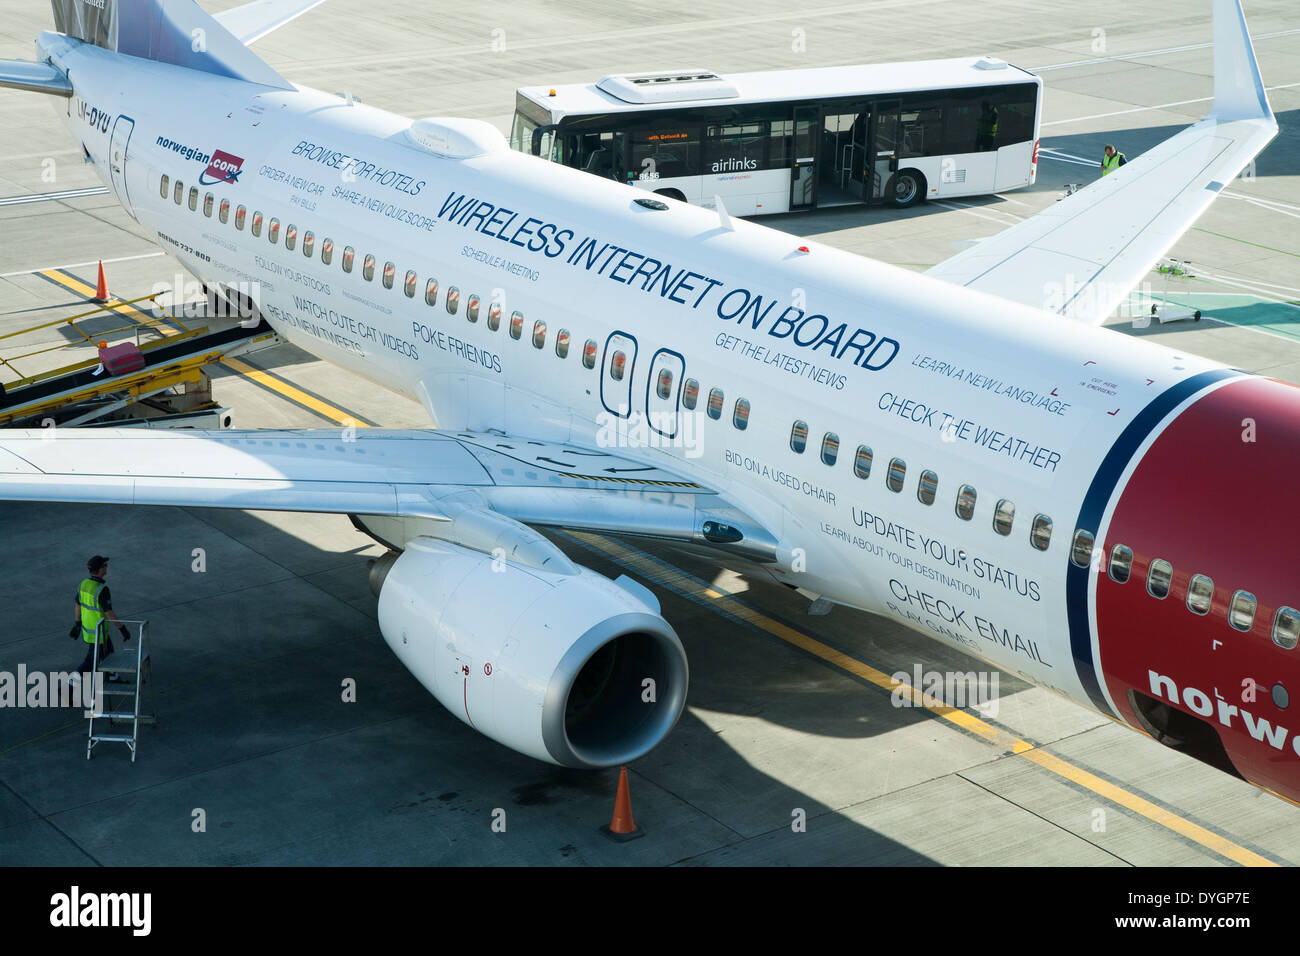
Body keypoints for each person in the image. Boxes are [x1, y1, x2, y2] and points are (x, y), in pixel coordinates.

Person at [69, 555, 131, 680]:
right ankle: (68, 687)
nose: (107, 567)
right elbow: (109, 613)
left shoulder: (83, 584)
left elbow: (77, 605)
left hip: (91, 631)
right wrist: (122, 628)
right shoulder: (102, 589)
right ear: (100, 569)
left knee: (109, 654)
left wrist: (77, 623)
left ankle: (113, 677)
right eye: (105, 565)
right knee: (89, 663)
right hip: (98, 633)